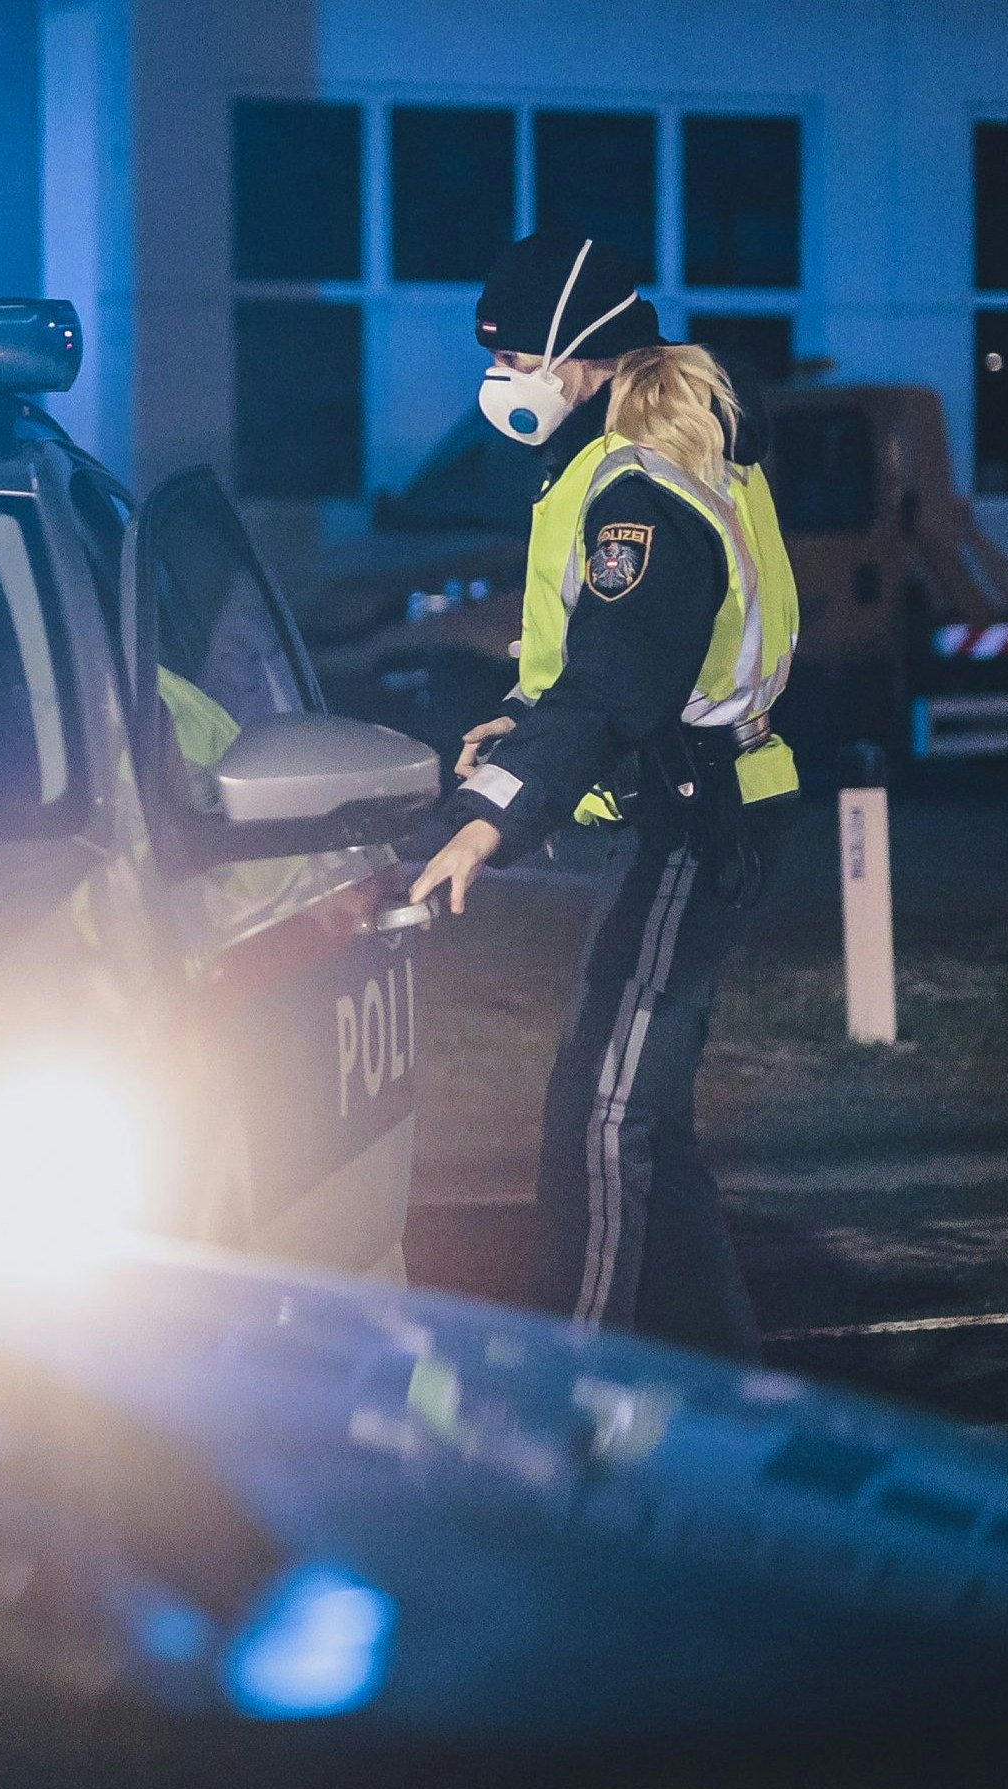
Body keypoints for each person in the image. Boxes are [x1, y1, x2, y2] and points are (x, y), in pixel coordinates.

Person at [406, 230, 802, 1363]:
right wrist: (531, 725)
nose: (499, 380)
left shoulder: (641, 482)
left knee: (599, 1116)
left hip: (697, 815)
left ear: (580, 356)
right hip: (693, 798)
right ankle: (722, 1375)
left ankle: (567, 1385)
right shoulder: (635, 450)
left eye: (516, 354)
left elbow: (624, 676)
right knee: (642, 1118)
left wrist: (491, 814)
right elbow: (613, 671)